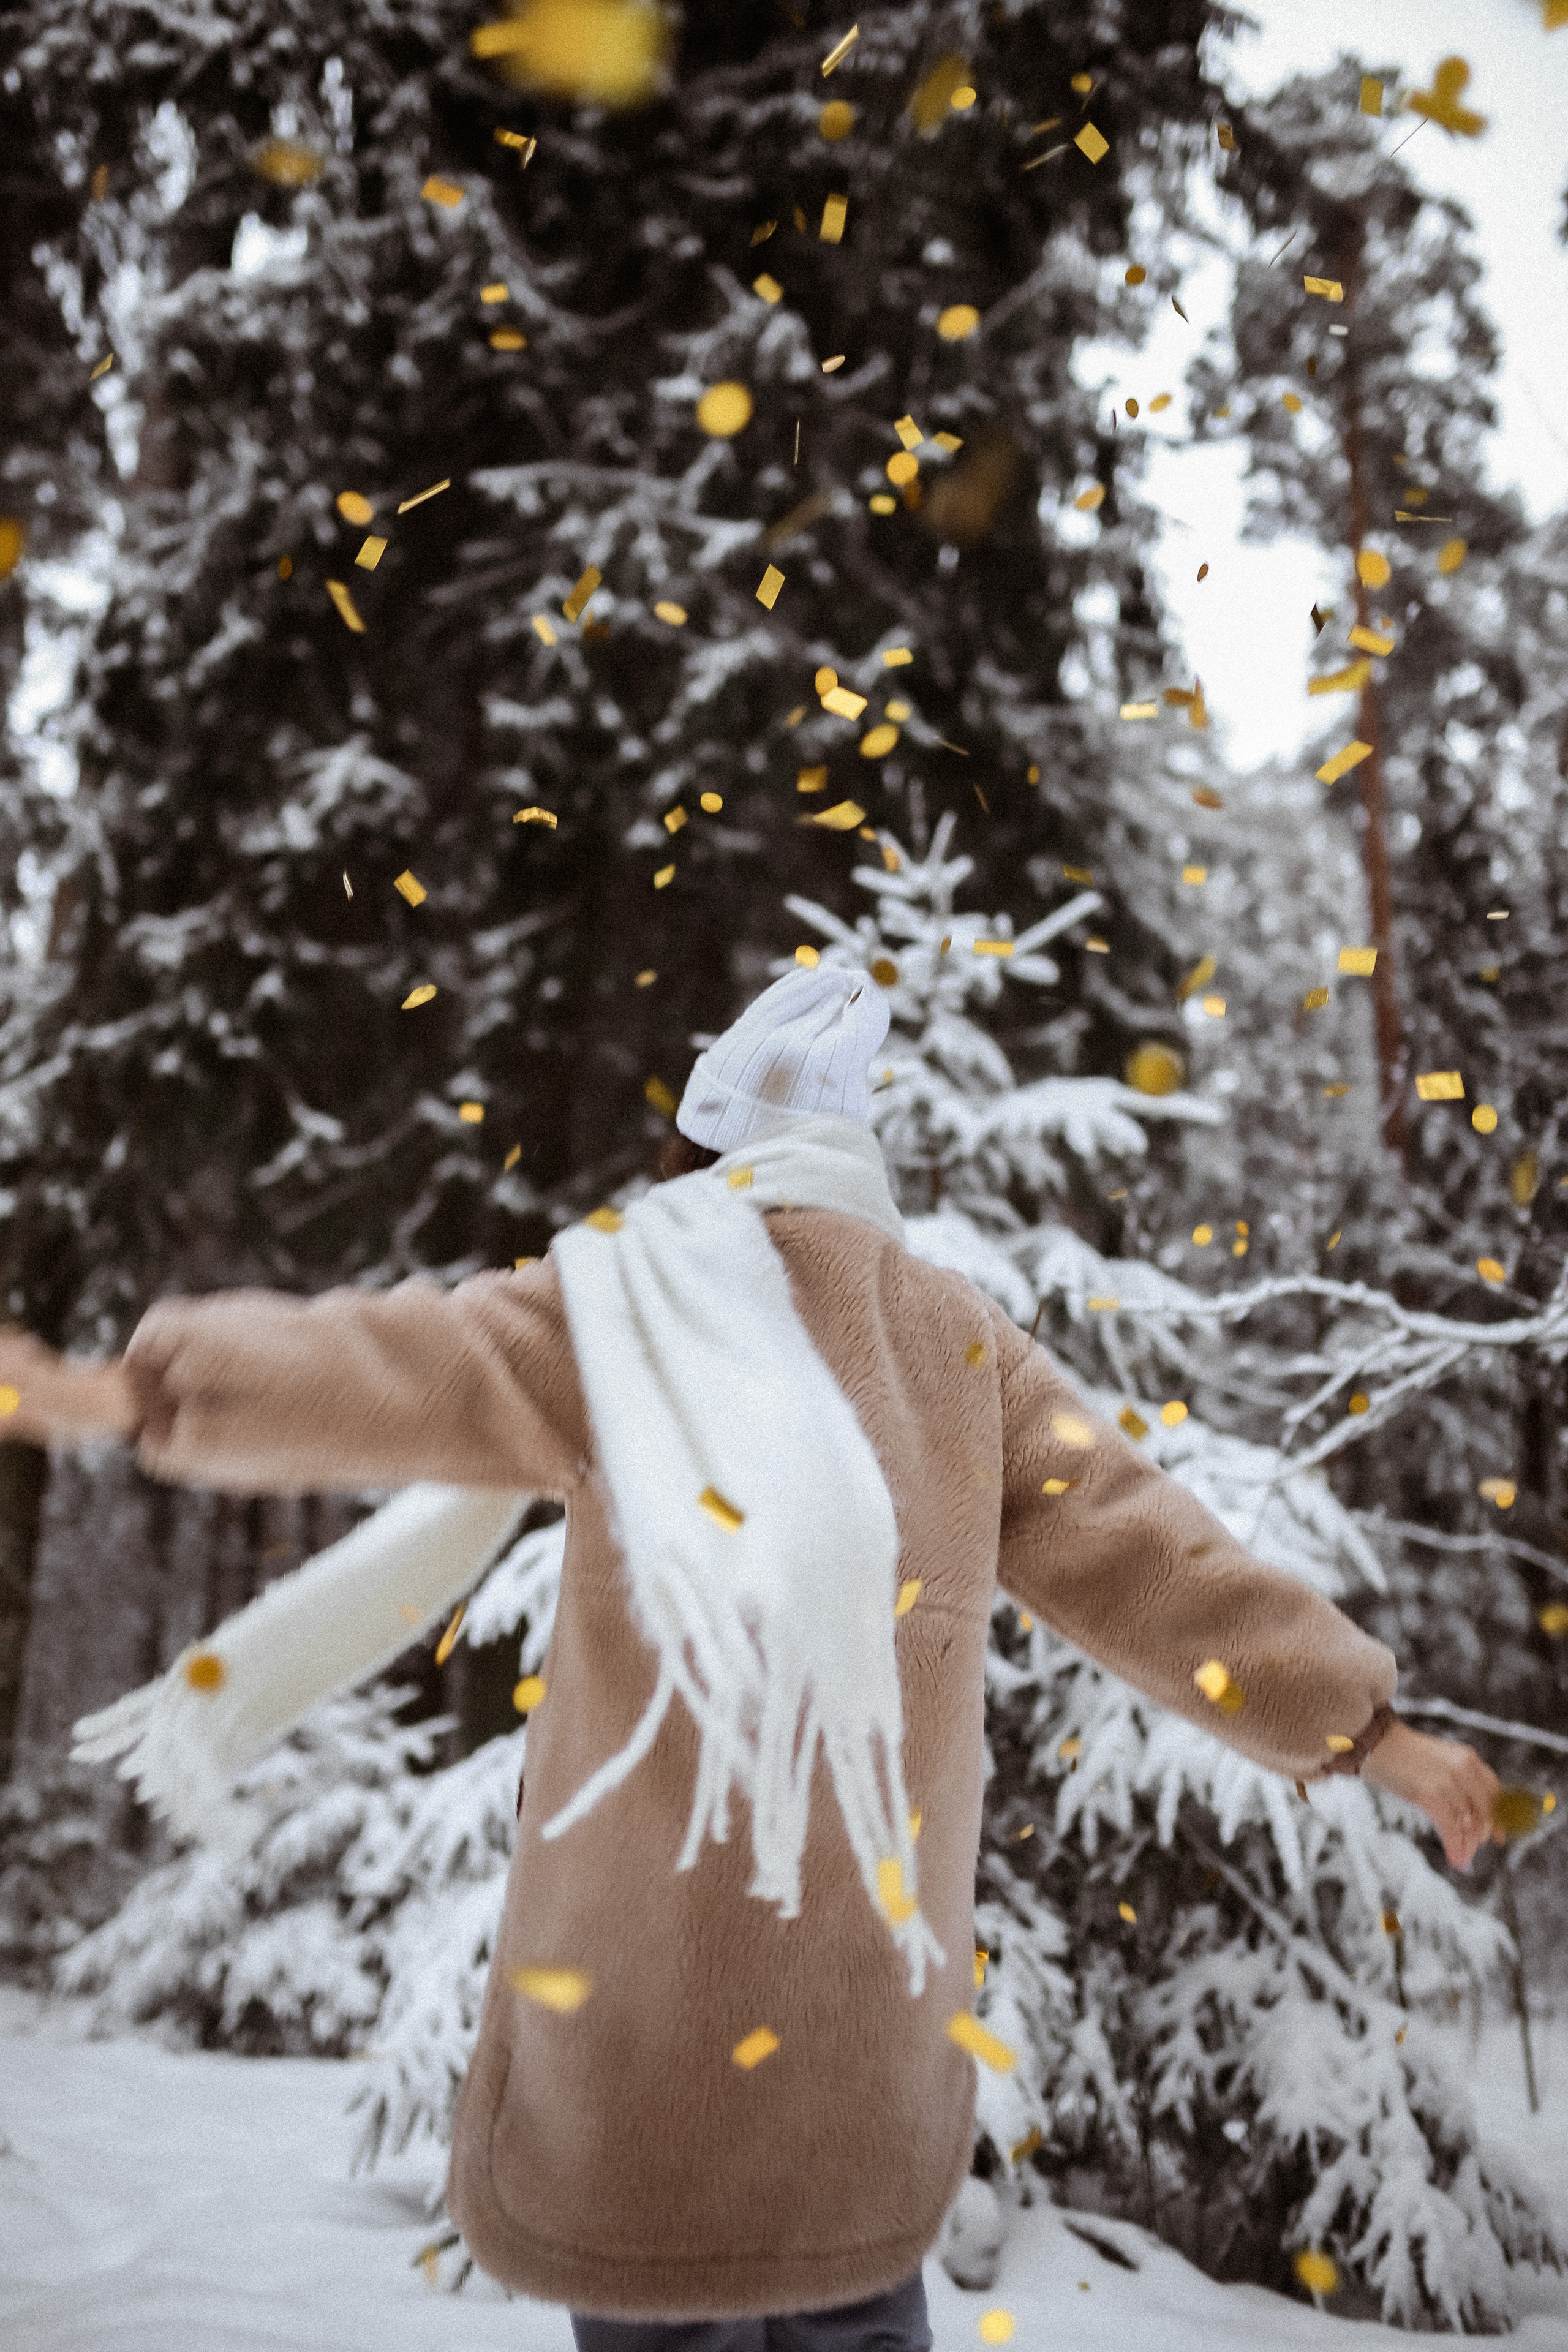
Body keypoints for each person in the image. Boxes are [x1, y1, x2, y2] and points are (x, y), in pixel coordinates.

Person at [0, 962, 1506, 2352]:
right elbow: (1161, 1563)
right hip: (853, 2086)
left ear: (700, 1146)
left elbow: (402, 1362)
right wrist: (1371, 1733)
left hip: (633, 2069)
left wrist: (137, 1393)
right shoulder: (961, 1348)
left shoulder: (628, 1308)